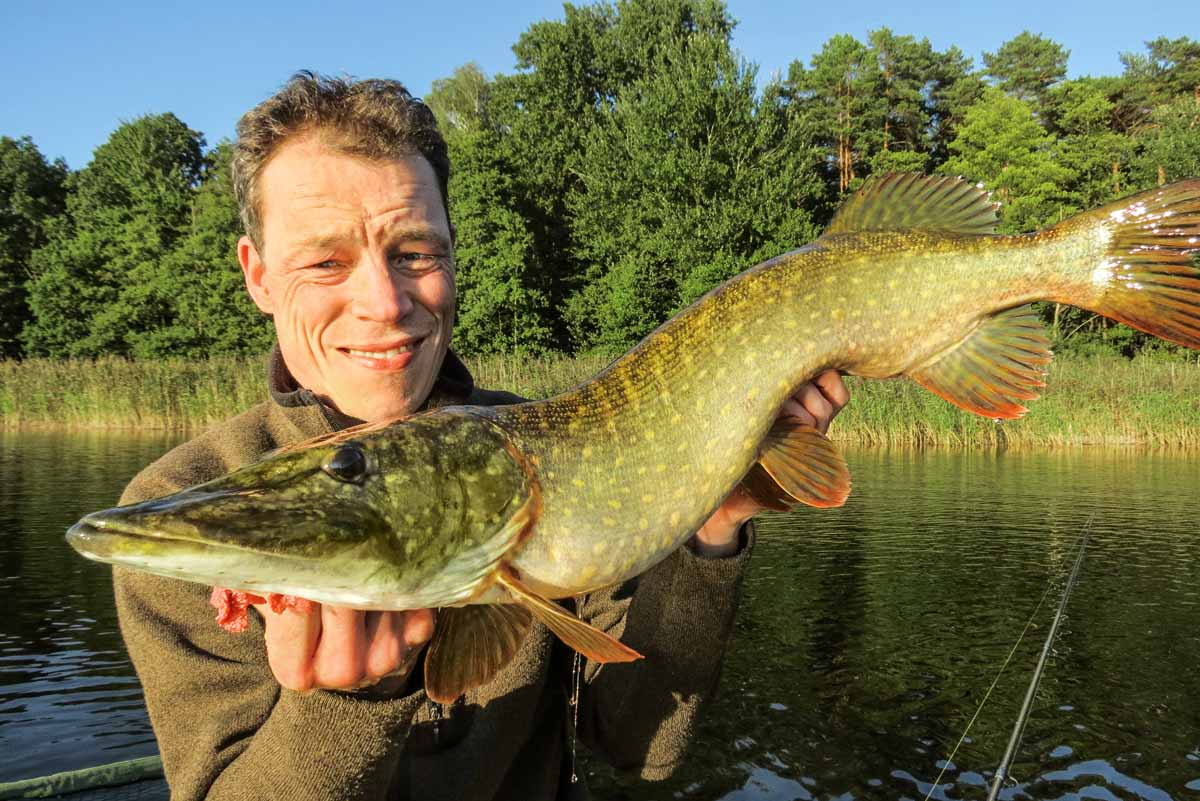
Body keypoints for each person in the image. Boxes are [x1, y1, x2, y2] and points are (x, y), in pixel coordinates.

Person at [113, 72, 849, 801]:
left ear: (453, 255)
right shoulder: (181, 500)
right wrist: (347, 704)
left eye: (415, 253)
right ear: (259, 274)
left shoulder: (544, 449)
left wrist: (710, 523)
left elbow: (643, 745)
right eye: (325, 261)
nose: (384, 302)